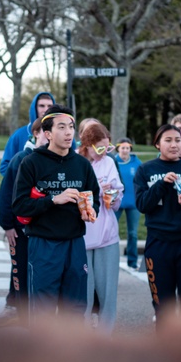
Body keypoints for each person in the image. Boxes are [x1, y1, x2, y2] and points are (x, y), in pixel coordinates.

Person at [12, 104, 99, 321]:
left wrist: (90, 210)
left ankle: (72, 354)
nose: (69, 132)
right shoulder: (31, 162)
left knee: (75, 308)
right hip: (44, 244)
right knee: (43, 311)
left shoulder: (82, 164)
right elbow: (20, 206)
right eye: (62, 127)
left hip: (75, 243)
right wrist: (53, 199)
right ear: (48, 133)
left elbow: (93, 198)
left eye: (71, 126)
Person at [134, 124, 181, 328]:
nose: (174, 144)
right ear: (157, 144)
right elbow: (142, 205)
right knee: (163, 304)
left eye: (178, 140)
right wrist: (161, 185)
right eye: (168, 140)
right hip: (158, 243)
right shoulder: (145, 169)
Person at [0, 119, 46, 324]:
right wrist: (7, 225)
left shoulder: (54, 160)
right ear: (36, 133)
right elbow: (6, 193)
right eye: (46, 131)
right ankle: (23, 315)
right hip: (19, 229)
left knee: (41, 273)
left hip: (44, 229)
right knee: (21, 272)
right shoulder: (21, 159)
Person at [78, 122, 123, 334]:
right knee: (83, 293)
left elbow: (117, 200)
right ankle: (84, 339)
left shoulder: (109, 163)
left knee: (108, 293)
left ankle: (106, 337)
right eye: (99, 148)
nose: (104, 152)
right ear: (87, 145)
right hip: (82, 235)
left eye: (107, 147)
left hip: (107, 236)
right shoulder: (76, 163)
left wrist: (111, 195)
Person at [0, 91, 55, 175]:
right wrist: (23, 180)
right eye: (41, 106)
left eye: (49, 106)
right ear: (34, 108)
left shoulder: (64, 134)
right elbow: (5, 166)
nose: (46, 109)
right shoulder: (18, 135)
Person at [114, 138, 142, 269]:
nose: (125, 150)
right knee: (112, 232)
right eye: (122, 148)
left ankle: (132, 261)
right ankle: (112, 261)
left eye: (127, 148)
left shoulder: (137, 163)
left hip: (133, 203)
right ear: (118, 148)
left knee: (133, 233)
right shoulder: (112, 161)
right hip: (116, 202)